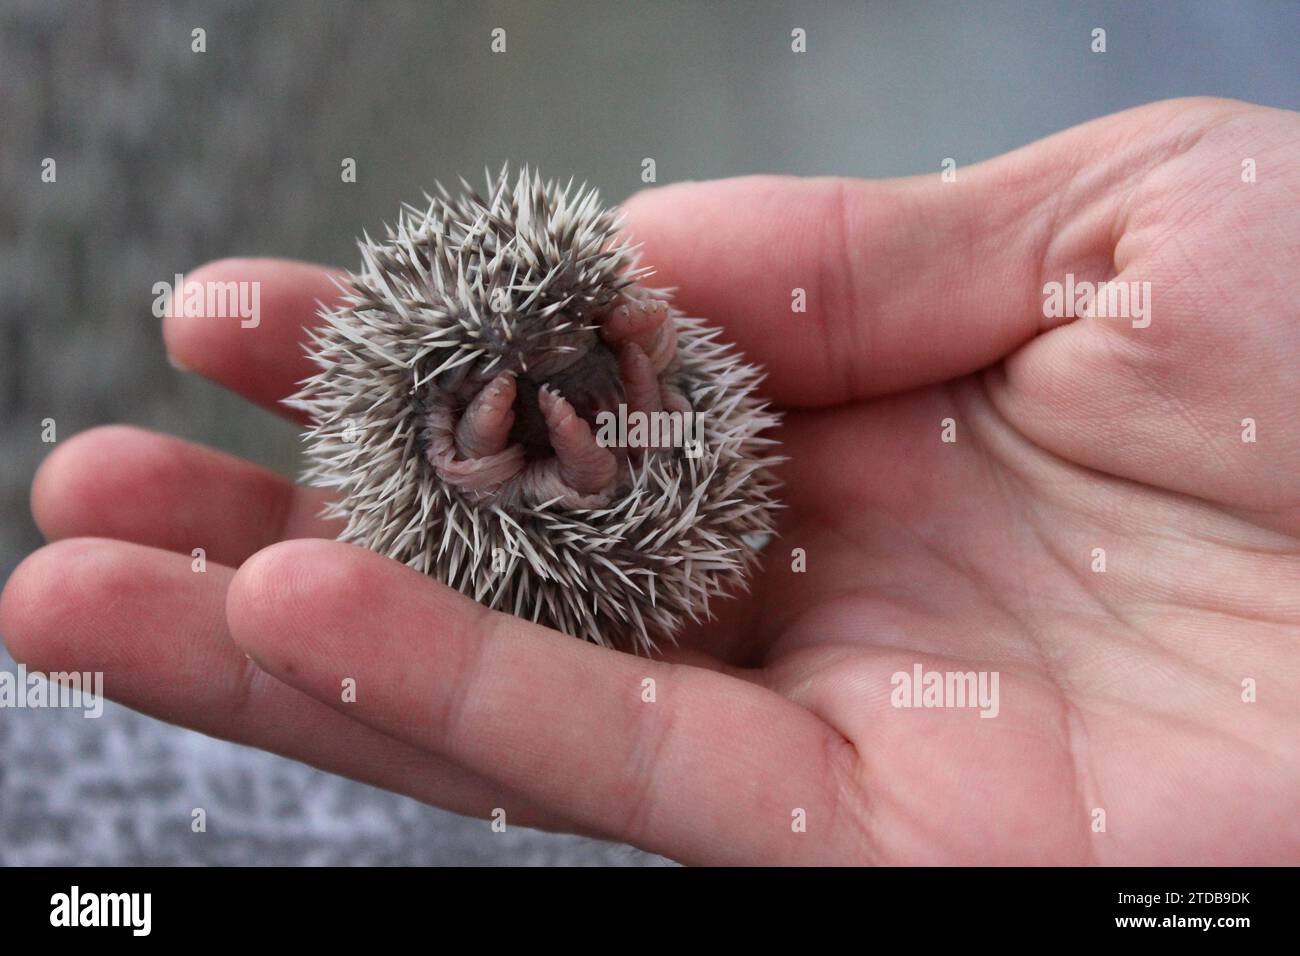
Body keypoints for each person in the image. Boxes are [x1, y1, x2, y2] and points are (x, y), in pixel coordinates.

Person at [3, 97, 1296, 865]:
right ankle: (527, 446)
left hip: (631, 469)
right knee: (563, 463)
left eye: (592, 352)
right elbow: (541, 416)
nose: (567, 383)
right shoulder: (461, 424)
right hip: (512, 491)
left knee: (631, 449)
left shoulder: (629, 363)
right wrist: (522, 438)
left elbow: (650, 364)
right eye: (512, 391)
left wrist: (613, 393)